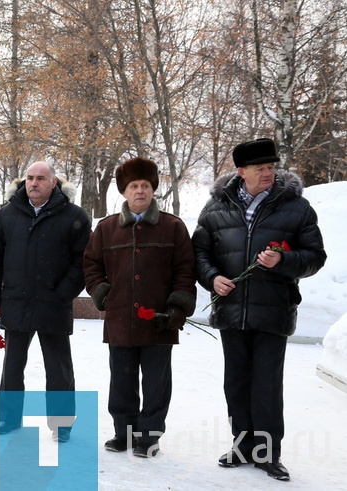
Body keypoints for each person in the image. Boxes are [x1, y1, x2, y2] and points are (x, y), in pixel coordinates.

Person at [192, 138, 326, 481]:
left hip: (273, 311)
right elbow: (200, 254)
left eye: (271, 167)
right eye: (260, 168)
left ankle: (267, 454)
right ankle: (241, 447)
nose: (268, 173)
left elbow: (314, 257)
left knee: (266, 386)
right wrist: (213, 277)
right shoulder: (216, 208)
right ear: (241, 172)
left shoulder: (297, 207)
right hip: (231, 310)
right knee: (236, 383)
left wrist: (283, 260)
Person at [83, 157, 196, 457]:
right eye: (134, 186)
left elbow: (185, 270)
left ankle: (149, 436)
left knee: (157, 382)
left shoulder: (172, 227)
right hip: (120, 319)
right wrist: (102, 294)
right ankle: (125, 432)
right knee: (121, 379)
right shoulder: (106, 228)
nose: (140, 191)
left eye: (146, 185)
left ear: (153, 189)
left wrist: (177, 308)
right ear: (124, 191)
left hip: (160, 319)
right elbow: (91, 266)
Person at [0, 161, 91, 439]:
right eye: (30, 178)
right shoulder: (8, 215)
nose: (34, 183)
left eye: (41, 178)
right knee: (12, 366)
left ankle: (62, 425)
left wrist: (63, 293)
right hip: (16, 301)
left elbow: (84, 262)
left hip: (53, 303)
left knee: (59, 369)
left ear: (54, 182)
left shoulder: (74, 216)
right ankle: (9, 419)